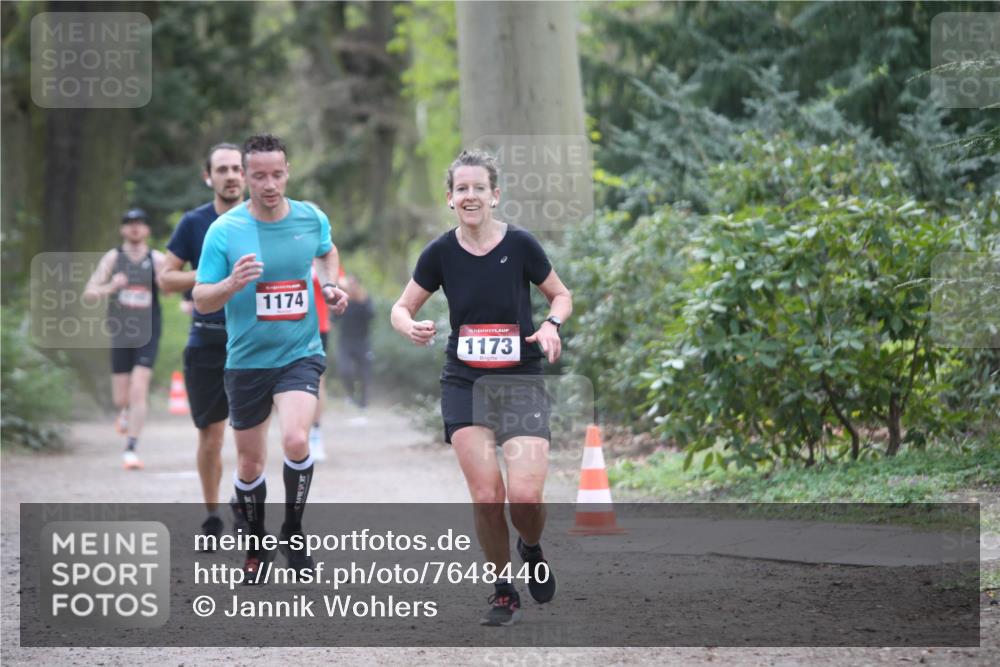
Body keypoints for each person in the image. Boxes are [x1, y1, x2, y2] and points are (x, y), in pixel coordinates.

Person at [390, 149, 572, 626]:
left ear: (495, 195)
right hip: (465, 381)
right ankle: (502, 588)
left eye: (479, 188)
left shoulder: (522, 244)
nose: (470, 196)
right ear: (450, 199)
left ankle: (530, 548)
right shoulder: (440, 253)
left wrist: (552, 324)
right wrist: (409, 325)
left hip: (519, 379)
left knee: (526, 497)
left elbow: (560, 293)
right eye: (461, 189)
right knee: (488, 495)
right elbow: (401, 307)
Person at [193, 134, 348, 579]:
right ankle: (257, 545)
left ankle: (293, 532)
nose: (268, 184)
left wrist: (330, 284)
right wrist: (231, 284)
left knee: (297, 440)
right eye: (257, 175)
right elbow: (203, 299)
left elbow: (326, 252)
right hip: (246, 361)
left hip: (300, 352)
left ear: (287, 172)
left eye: (276, 174)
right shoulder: (225, 231)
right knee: (249, 463)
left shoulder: (310, 217)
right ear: (244, 176)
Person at [160, 143, 247, 543]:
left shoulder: (263, 220)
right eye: (222, 169)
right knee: (211, 437)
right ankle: (212, 514)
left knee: (250, 436)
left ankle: (247, 508)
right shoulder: (194, 223)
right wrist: (213, 276)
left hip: (255, 341)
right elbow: (165, 279)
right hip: (208, 341)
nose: (231, 175)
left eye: (237, 168)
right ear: (207, 176)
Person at [84, 209, 167, 470]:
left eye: (139, 224)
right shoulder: (113, 258)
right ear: (122, 230)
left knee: (138, 387)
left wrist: (163, 283)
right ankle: (123, 413)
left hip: (148, 332)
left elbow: (172, 288)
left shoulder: (157, 259)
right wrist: (112, 286)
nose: (134, 228)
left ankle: (131, 447)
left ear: (147, 230)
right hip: (121, 332)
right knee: (121, 396)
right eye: (130, 224)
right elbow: (89, 293)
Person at [334, 274, 374, 416]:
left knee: (364, 374)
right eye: (348, 284)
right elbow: (335, 318)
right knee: (345, 370)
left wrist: (361, 302)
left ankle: (363, 404)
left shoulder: (365, 298)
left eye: (353, 284)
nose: (351, 286)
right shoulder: (343, 300)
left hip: (362, 341)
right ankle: (350, 395)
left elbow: (371, 315)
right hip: (345, 341)